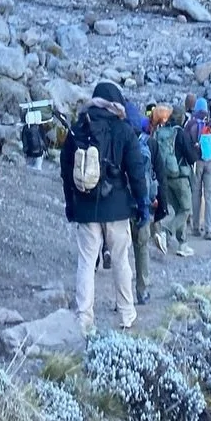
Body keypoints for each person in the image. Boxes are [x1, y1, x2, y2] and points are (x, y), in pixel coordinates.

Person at [61, 79, 149, 336]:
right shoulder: (123, 130)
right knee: (121, 261)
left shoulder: (78, 128)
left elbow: (66, 172)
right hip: (117, 208)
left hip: (85, 209)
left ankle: (83, 318)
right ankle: (126, 313)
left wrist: (71, 205)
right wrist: (142, 204)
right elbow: (136, 170)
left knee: (87, 263)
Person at [149, 104, 193, 257]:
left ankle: (183, 243)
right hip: (180, 177)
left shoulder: (161, 132)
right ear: (181, 118)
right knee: (186, 209)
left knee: (178, 209)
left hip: (165, 177)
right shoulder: (180, 134)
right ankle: (167, 232)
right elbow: (191, 157)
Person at [123, 99, 155, 306]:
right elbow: (145, 180)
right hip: (140, 205)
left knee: (121, 253)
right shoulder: (144, 148)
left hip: (121, 206)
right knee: (142, 249)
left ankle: (122, 297)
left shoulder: (117, 143)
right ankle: (142, 291)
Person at [187, 96, 211, 240]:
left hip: (196, 163)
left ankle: (195, 227)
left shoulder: (191, 124)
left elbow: (185, 143)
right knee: (210, 196)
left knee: (196, 194)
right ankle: (209, 230)